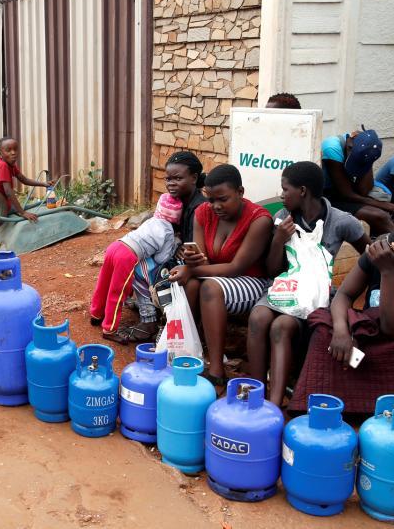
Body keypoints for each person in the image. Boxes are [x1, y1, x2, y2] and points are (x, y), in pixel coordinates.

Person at [289, 219, 394, 418]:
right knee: (322, 330)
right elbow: (344, 295)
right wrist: (342, 331)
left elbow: (393, 325)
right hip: (367, 333)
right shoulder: (377, 256)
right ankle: (328, 403)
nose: (384, 250)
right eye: (388, 243)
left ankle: (393, 410)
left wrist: (388, 271)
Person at [247, 162, 369, 406]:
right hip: (285, 288)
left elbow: (369, 259)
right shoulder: (283, 218)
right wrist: (279, 240)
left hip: (315, 295)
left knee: (281, 326)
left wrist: (353, 295)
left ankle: (274, 403)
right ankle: (255, 389)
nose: (281, 195)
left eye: (285, 189)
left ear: (302, 191)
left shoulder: (341, 222)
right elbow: (273, 269)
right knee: (258, 316)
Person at [169, 164, 273, 385]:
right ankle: (185, 352)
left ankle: (216, 369)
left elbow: (236, 267)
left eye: (223, 199)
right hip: (215, 276)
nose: (216, 206)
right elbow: (201, 259)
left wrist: (190, 269)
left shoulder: (259, 219)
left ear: (241, 192)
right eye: (211, 199)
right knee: (191, 285)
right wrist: (191, 264)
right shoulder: (203, 213)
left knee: (208, 287)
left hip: (252, 281)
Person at [121, 151, 207, 342]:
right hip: (178, 254)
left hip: (193, 263)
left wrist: (179, 248)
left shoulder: (198, 207)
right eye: (168, 179)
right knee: (137, 260)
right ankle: (150, 310)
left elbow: (195, 248)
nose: (171, 183)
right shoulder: (175, 202)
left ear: (193, 178)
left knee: (141, 268)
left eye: (178, 178)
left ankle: (154, 321)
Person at [93, 193, 182, 340]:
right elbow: (161, 258)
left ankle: (96, 314)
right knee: (118, 292)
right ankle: (109, 329)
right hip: (127, 256)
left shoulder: (151, 220)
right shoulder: (168, 232)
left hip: (116, 245)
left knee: (104, 283)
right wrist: (175, 244)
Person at [321, 126, 394, 235]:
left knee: (384, 199)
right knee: (380, 216)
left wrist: (368, 161)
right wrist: (392, 207)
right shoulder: (332, 147)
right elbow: (347, 194)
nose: (350, 153)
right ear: (352, 137)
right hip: (327, 197)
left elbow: (364, 190)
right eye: (350, 149)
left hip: (344, 195)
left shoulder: (363, 151)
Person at [0, 137, 52, 221]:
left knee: (23, 207)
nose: (13, 153)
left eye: (15, 149)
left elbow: (24, 180)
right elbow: (8, 192)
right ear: (0, 154)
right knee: (25, 210)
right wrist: (22, 213)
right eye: (8, 150)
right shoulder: (3, 166)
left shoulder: (9, 164)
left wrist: (44, 184)